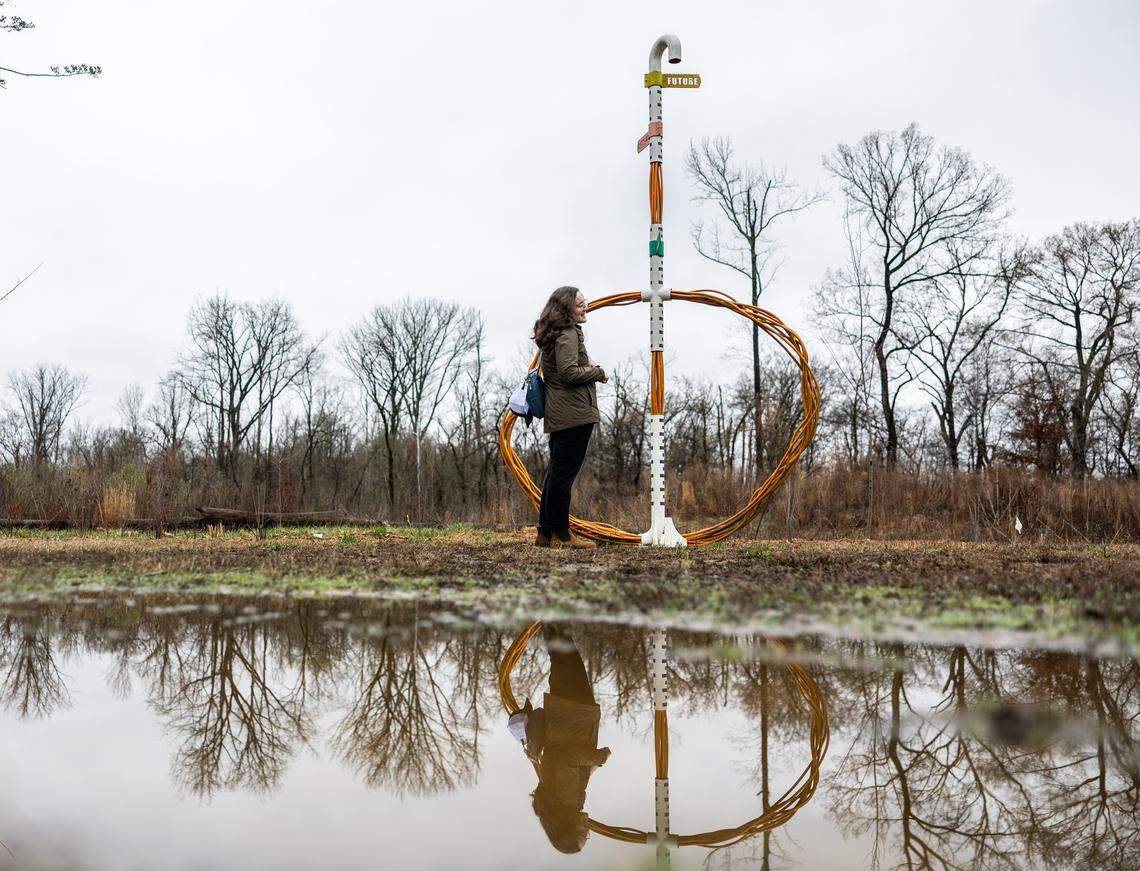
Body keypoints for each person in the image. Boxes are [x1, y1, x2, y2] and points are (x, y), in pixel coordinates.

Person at [509, 624, 611, 854]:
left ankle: (549, 606)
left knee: (563, 651)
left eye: (582, 834)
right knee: (562, 653)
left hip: (572, 712)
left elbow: (566, 758)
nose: (587, 831)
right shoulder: (557, 803)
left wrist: (600, 757)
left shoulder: (565, 801)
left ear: (569, 828)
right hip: (567, 713)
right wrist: (592, 768)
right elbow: (561, 766)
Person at [531, 286, 607, 549]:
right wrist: (598, 373)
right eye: (580, 304)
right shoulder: (567, 334)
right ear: (565, 309)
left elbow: (566, 367)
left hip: (562, 414)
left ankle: (545, 533)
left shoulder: (556, 334)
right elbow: (568, 373)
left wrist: (587, 363)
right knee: (563, 477)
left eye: (585, 302)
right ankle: (563, 535)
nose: (585, 307)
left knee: (555, 475)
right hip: (573, 415)